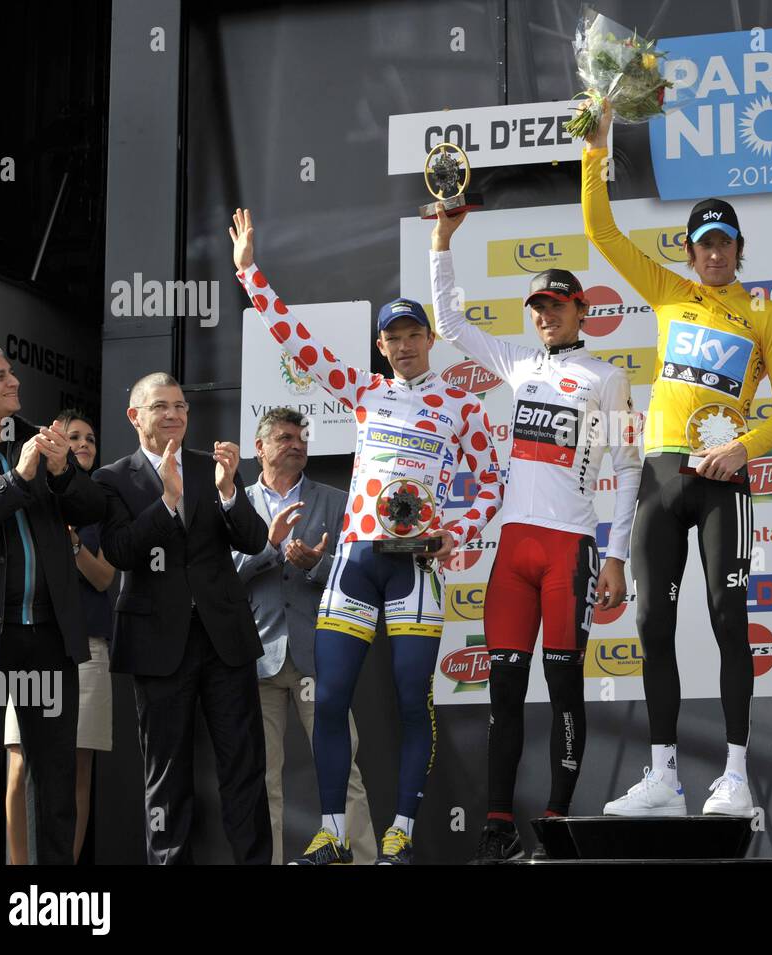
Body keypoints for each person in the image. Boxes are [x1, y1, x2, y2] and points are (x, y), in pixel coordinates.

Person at [230, 207, 502, 865]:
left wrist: (451, 536)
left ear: (430, 339)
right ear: (380, 347)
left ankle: (400, 834)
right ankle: (330, 834)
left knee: (413, 701)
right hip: (353, 559)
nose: (405, 345)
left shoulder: (463, 405)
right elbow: (297, 341)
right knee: (331, 699)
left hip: (415, 567)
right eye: (394, 338)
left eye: (414, 334)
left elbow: (492, 484)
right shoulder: (364, 391)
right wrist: (248, 275)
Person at [580, 104, 772, 817]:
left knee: (727, 617)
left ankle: (735, 776)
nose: (714, 254)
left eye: (725, 243)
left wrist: (745, 447)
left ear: (740, 247)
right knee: (651, 625)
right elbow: (602, 232)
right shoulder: (669, 293)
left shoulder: (766, 314)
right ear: (688, 250)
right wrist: (595, 150)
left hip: (725, 481)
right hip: (659, 476)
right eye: (704, 243)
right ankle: (664, 777)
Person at [428, 202, 642, 862]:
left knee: (565, 685)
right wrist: (442, 240)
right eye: (537, 307)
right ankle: (496, 827)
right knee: (504, 690)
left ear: (582, 310)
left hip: (569, 550)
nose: (545, 315)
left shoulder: (608, 379)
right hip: (514, 550)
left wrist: (615, 556)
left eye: (556, 304)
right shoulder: (519, 364)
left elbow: (629, 466)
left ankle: (554, 824)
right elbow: (451, 324)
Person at [94, 372, 272, 865]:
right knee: (166, 775)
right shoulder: (113, 478)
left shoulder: (210, 468)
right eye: (161, 407)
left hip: (225, 641)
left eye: (181, 407)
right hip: (157, 645)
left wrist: (230, 491)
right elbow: (122, 551)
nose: (174, 415)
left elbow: (255, 541)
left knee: (244, 767)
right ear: (135, 416)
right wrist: (169, 500)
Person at [0, 343, 105, 864]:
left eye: (12, 373)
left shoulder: (40, 439)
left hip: (48, 637)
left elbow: (94, 506)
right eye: (0, 377)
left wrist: (63, 471)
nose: (14, 382)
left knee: (56, 784)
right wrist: (18, 478)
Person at [233, 406, 378, 865]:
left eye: (301, 438)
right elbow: (222, 579)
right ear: (260, 448)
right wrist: (270, 548)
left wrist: (314, 563)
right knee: (262, 777)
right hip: (256, 657)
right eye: (284, 438)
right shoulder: (236, 504)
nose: (296, 445)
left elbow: (359, 577)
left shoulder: (337, 502)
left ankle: (362, 860)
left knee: (342, 771)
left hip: (321, 656)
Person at [5, 409, 115, 864]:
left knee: (76, 773)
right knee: (18, 766)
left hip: (87, 648)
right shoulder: (27, 488)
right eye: (74, 436)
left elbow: (105, 577)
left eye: (90, 438)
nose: (84, 443)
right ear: (51, 441)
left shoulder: (101, 501)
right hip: (27, 644)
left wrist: (71, 544)